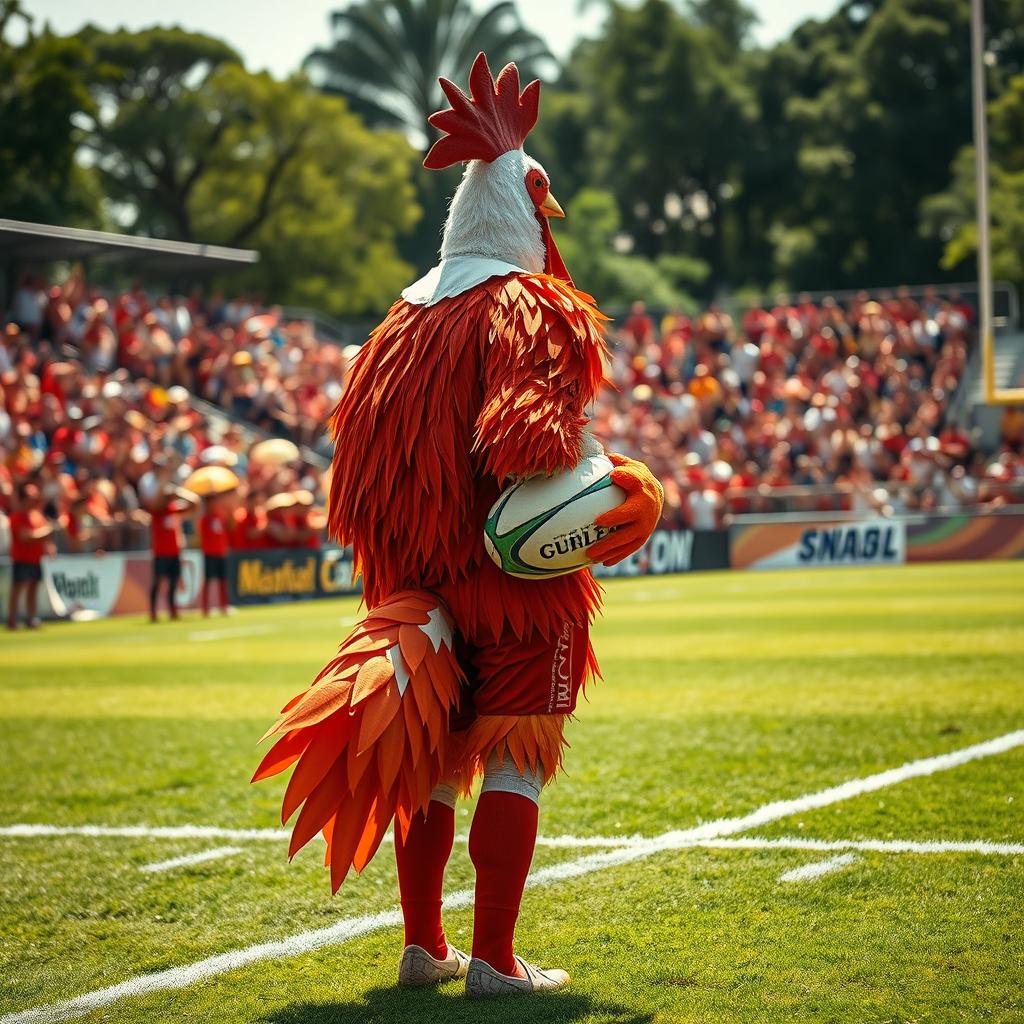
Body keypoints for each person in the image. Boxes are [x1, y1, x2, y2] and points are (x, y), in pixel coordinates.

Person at [253, 53, 663, 999]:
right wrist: (619, 482)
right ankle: (494, 961)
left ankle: (421, 944)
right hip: (515, 589)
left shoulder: (394, 324)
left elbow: (351, 479)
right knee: (517, 759)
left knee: (435, 763)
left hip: (417, 587)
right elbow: (529, 439)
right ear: (530, 208)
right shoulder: (530, 305)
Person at [147, 485, 197, 622]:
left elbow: (195, 503)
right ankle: (153, 612)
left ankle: (172, 610)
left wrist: (179, 492)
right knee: (157, 582)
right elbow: (154, 503)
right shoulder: (157, 512)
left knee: (174, 583)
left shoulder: (175, 510)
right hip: (161, 553)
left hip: (175, 553)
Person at [7, 482, 53, 630]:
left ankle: (31, 618)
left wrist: (49, 545)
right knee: (18, 589)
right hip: (21, 558)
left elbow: (44, 537)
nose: (35, 500)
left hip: (35, 558)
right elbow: (25, 537)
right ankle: (12, 619)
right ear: (23, 499)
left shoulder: (37, 515)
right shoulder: (17, 517)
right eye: (31, 497)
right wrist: (46, 532)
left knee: (33, 588)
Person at [198, 494, 231, 616]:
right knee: (208, 581)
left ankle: (224, 606)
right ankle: (205, 608)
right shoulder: (205, 519)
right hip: (210, 554)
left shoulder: (221, 517)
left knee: (223, 581)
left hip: (221, 553)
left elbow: (229, 529)